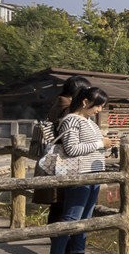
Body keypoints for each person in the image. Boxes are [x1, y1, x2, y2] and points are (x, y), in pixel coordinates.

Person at [43, 87, 109, 254]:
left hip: (93, 175)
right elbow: (71, 149)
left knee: (85, 217)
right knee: (71, 217)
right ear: (85, 102)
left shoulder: (89, 121)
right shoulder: (71, 120)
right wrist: (100, 144)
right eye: (98, 105)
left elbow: (91, 146)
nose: (100, 110)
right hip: (78, 175)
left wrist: (106, 143)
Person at [33, 75, 92, 219]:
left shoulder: (60, 104)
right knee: (63, 206)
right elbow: (71, 140)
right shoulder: (69, 109)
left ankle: (57, 239)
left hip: (58, 161)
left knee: (58, 205)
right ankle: (60, 240)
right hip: (64, 162)